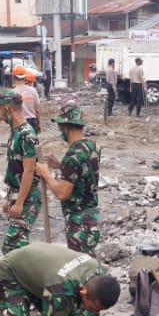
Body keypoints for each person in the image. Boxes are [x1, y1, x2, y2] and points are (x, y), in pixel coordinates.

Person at [36, 105, 99, 256]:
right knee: (88, 265)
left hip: (78, 223)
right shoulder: (92, 146)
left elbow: (63, 193)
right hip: (91, 217)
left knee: (80, 270)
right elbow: (83, 171)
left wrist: (46, 174)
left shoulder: (73, 155)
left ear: (65, 127)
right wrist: (61, 166)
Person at [0, 88, 41, 253]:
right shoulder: (15, 132)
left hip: (28, 197)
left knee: (12, 246)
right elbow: (16, 168)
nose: (0, 116)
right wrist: (11, 199)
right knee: (17, 246)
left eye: (0, 111)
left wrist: (20, 202)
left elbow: (29, 171)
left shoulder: (26, 134)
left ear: (7, 109)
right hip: (18, 193)